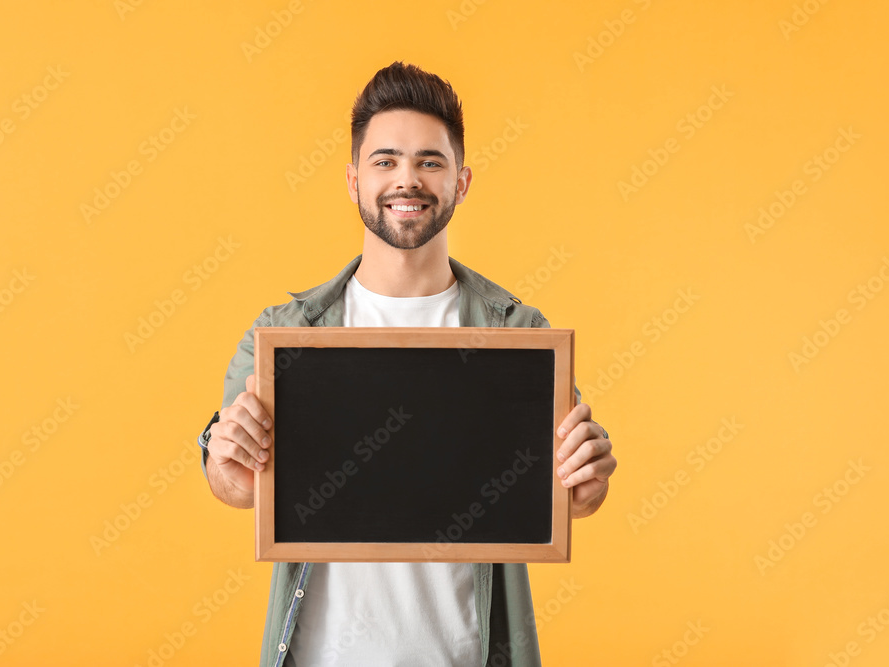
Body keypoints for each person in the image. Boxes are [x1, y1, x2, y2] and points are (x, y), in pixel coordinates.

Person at [198, 61, 617, 667]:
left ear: (462, 181)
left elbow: (573, 495)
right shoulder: (282, 336)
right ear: (353, 180)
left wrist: (588, 478)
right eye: (385, 160)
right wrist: (224, 456)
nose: (407, 180)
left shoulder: (519, 337)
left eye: (430, 161)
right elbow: (232, 484)